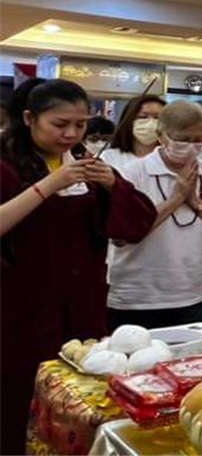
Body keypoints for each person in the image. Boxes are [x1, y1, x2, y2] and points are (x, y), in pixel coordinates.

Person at [0, 79, 155, 455]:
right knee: (19, 394)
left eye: (80, 124)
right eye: (60, 124)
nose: (71, 134)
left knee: (84, 392)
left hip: (83, 304)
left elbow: (136, 225)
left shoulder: (86, 162)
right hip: (21, 306)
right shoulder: (5, 163)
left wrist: (114, 185)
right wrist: (49, 185)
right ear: (29, 119)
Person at [112, 101, 202, 328]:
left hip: (191, 292)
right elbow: (122, 236)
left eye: (198, 140)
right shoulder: (133, 172)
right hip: (136, 297)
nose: (191, 146)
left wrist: (197, 205)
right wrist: (176, 199)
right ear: (161, 135)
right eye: (182, 139)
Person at [99, 95, 165, 172]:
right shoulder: (109, 157)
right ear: (128, 120)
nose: (150, 123)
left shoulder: (171, 160)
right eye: (143, 117)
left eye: (157, 118)